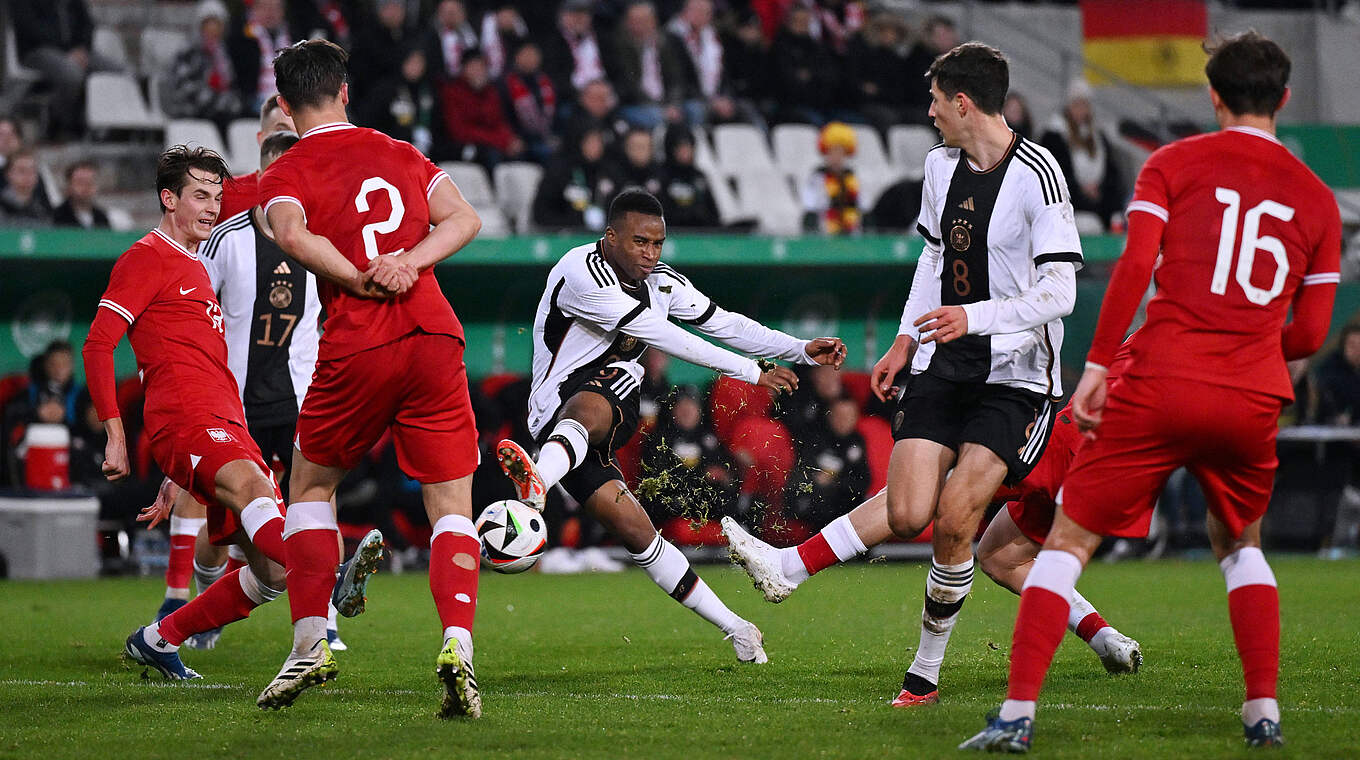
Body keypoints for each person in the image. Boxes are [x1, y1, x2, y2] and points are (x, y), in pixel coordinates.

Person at [961, 32, 1341, 752]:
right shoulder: (1319, 201)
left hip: (1160, 377)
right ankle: (1263, 712)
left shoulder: (1173, 163)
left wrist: (1101, 364)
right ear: (1285, 100)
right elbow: (1313, 333)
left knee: (1069, 541)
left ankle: (1016, 717)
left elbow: (1135, 268)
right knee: (1241, 544)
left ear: (1215, 96)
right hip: (1250, 394)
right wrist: (1251, 347)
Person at [818, 43, 1080, 709]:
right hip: (947, 364)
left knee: (958, 516)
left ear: (963, 103)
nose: (930, 113)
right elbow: (931, 264)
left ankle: (924, 674)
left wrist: (977, 316)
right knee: (908, 513)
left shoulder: (1040, 172)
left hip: (1017, 374)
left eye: (936, 101)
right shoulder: (940, 168)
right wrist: (906, 339)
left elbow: (1061, 294)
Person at [494, 189, 847, 664]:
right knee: (636, 517)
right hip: (557, 410)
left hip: (585, 423)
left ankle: (539, 481)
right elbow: (664, 336)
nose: (650, 253)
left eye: (658, 243)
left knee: (623, 391)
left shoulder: (661, 283)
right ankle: (538, 486)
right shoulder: (581, 273)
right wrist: (751, 371)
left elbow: (723, 323)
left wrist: (799, 349)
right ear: (610, 237)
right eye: (640, 241)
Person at [260, 39, 486, 716]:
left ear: (283, 103)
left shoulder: (285, 172)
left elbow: (296, 238)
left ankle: (309, 643)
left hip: (359, 340)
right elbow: (465, 219)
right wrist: (409, 262)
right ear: (345, 92)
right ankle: (458, 646)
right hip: (434, 335)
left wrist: (364, 277)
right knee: (451, 507)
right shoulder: (400, 152)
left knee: (310, 484)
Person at [723, 348, 1143, 676]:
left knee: (915, 495)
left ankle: (793, 568)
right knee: (1000, 555)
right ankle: (1105, 638)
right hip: (1103, 470)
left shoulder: (1168, 330)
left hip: (1064, 441)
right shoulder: (1182, 339)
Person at [82, 146, 297, 685]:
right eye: (200, 195)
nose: (211, 206)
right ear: (168, 198)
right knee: (257, 495)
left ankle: (158, 639)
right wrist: (114, 432)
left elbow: (187, 359)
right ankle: (331, 573)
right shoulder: (146, 257)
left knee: (271, 575)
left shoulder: (195, 265)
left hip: (227, 420)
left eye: (217, 197)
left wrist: (178, 474)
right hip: (190, 420)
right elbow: (97, 344)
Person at [11, 0, 121, 138]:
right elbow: (29, 29)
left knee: (119, 73)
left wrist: (82, 48)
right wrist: (66, 52)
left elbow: (87, 24)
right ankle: (59, 122)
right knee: (71, 75)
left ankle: (113, 128)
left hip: (76, 51)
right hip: (38, 51)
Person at [1040, 79, 1125, 231]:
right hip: (1071, 203)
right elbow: (1054, 174)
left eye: (1084, 105)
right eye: (1076, 105)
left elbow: (1112, 173)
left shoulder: (1097, 136)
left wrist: (1098, 189)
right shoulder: (1054, 135)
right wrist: (1081, 190)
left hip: (1098, 200)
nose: (1080, 110)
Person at [605, 1, 690, 129]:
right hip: (635, 104)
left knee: (693, 110)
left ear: (654, 21)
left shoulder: (665, 43)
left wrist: (673, 104)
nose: (641, 25)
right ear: (627, 23)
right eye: (636, 21)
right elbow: (630, 84)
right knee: (654, 116)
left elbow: (676, 79)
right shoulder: (619, 46)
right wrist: (660, 107)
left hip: (666, 102)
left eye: (645, 20)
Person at [164, 0, 245, 130]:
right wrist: (220, 102)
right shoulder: (189, 52)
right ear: (200, 25)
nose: (213, 29)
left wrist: (230, 103)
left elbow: (232, 86)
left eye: (218, 24)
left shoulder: (222, 55)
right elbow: (186, 90)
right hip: (191, 112)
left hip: (218, 111)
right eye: (209, 23)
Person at [440, 51, 525, 171]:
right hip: (462, 145)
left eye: (481, 67)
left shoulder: (491, 92)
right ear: (464, 70)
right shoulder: (452, 92)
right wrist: (500, 141)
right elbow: (460, 131)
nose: (477, 72)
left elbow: (499, 122)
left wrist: (510, 139)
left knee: (520, 153)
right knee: (492, 156)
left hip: (491, 142)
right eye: (473, 67)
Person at [219, 95, 296, 220]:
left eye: (300, 132)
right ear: (261, 139)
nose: (292, 140)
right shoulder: (224, 194)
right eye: (281, 131)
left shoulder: (328, 196)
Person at [532, 127, 615, 232]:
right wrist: (574, 224)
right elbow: (541, 212)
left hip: (604, 237)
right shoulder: (559, 171)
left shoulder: (609, 171)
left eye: (599, 142)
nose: (595, 147)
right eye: (590, 142)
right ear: (579, 143)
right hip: (566, 236)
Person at [228, 0, 293, 115]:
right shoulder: (241, 37)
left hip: (290, 98)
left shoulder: (293, 34)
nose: (271, 13)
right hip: (255, 101)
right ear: (253, 10)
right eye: (265, 7)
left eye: (276, 8)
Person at [498, 41, 558, 165]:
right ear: (516, 57)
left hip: (543, 136)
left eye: (533, 54)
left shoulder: (546, 83)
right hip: (519, 138)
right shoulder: (506, 84)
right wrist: (512, 137)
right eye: (526, 54)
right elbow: (503, 116)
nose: (530, 58)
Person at [801, 122, 860, 235]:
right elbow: (810, 206)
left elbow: (858, 206)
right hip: (823, 231)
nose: (836, 157)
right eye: (833, 152)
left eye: (841, 152)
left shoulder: (851, 177)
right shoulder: (817, 177)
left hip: (849, 232)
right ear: (826, 153)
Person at [540, 0, 606, 100]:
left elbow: (617, 72)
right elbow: (554, 78)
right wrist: (580, 95)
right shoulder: (553, 43)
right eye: (574, 14)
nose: (580, 19)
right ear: (562, 17)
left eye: (584, 14)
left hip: (604, 95)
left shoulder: (602, 39)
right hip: (572, 99)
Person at [658, 125, 719, 229]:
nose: (685, 152)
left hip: (700, 236)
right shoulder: (660, 176)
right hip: (671, 235)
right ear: (671, 149)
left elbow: (713, 214)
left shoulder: (699, 177)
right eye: (680, 148)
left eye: (688, 147)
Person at [422, 0, 478, 88]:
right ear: (439, 15)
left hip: (471, 83)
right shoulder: (431, 37)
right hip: (444, 84)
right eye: (447, 13)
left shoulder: (473, 31)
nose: (451, 17)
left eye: (454, 12)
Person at [0, 150, 55, 226]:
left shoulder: (43, 208)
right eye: (22, 170)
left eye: (33, 170)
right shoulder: (2, 205)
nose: (28, 175)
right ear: (8, 174)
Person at [53, 160, 111, 229]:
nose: (86, 187)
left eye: (90, 182)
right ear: (69, 186)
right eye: (80, 182)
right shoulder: (56, 217)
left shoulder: (101, 218)